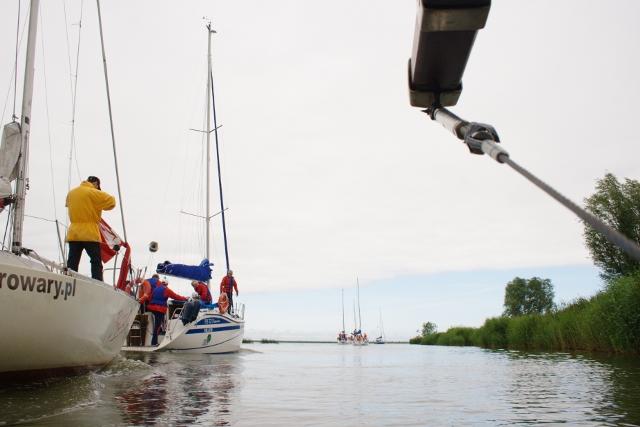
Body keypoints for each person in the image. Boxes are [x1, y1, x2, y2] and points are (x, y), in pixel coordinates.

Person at [65, 176, 115, 280]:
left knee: (72, 261)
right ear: (96, 184)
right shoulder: (93, 192)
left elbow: (69, 205)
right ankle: (97, 283)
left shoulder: (71, 193)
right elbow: (111, 202)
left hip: (74, 233)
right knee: (95, 260)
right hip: (89, 233)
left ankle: (68, 280)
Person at [146, 280, 187, 346]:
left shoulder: (155, 289)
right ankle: (154, 343)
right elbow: (175, 296)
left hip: (152, 308)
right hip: (159, 309)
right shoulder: (166, 290)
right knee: (158, 326)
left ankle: (155, 340)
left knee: (158, 324)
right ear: (167, 284)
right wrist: (185, 298)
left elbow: (150, 298)